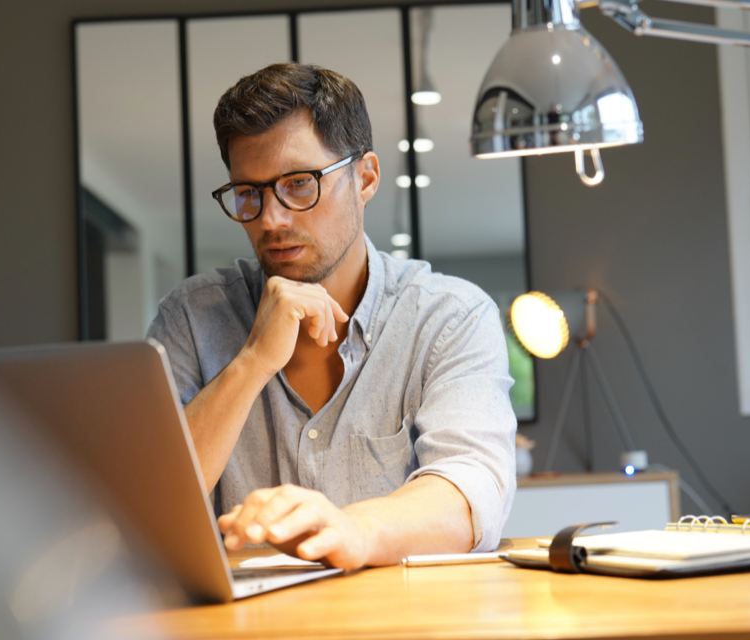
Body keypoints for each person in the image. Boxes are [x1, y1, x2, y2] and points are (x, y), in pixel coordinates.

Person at [147, 63, 516, 570]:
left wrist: (352, 530)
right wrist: (252, 362)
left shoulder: (449, 316)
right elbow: (149, 508)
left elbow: (472, 490)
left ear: (365, 178)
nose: (271, 219)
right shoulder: (190, 317)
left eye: (299, 184)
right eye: (249, 194)